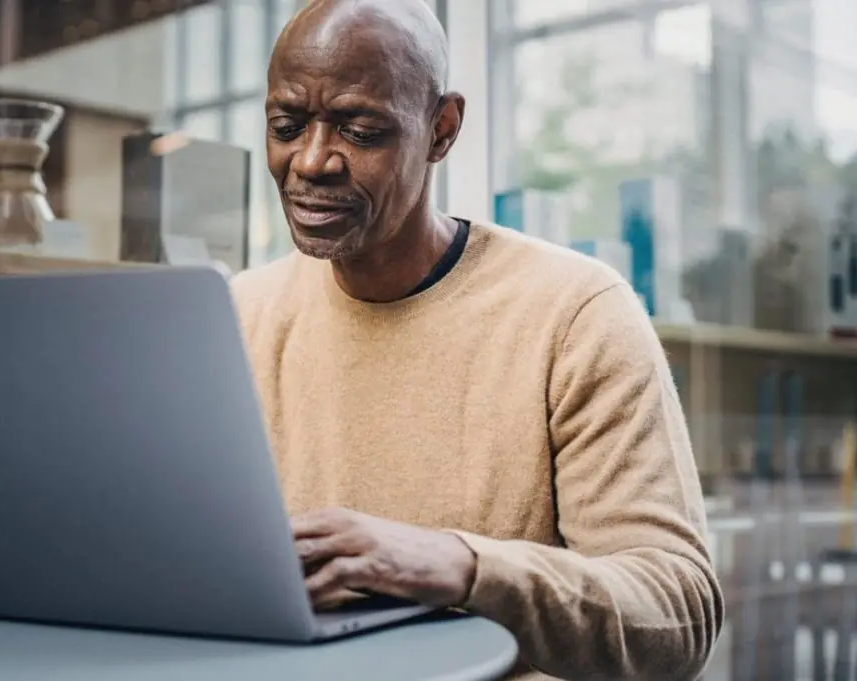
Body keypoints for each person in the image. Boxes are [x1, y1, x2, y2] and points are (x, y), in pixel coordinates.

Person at [231, 0, 724, 679]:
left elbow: (677, 611)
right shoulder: (238, 314)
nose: (312, 160)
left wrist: (463, 565)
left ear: (442, 129)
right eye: (286, 125)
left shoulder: (576, 312)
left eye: (361, 129)